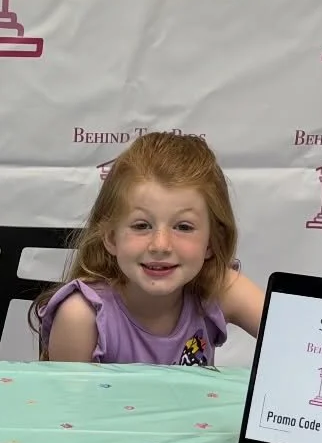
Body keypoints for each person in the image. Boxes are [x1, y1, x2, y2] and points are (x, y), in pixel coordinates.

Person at [34, 132, 264, 365]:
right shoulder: (81, 316)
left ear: (212, 242)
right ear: (111, 238)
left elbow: (298, 337)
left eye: (183, 227)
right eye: (142, 225)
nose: (160, 245)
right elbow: (67, 402)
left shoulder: (219, 288)